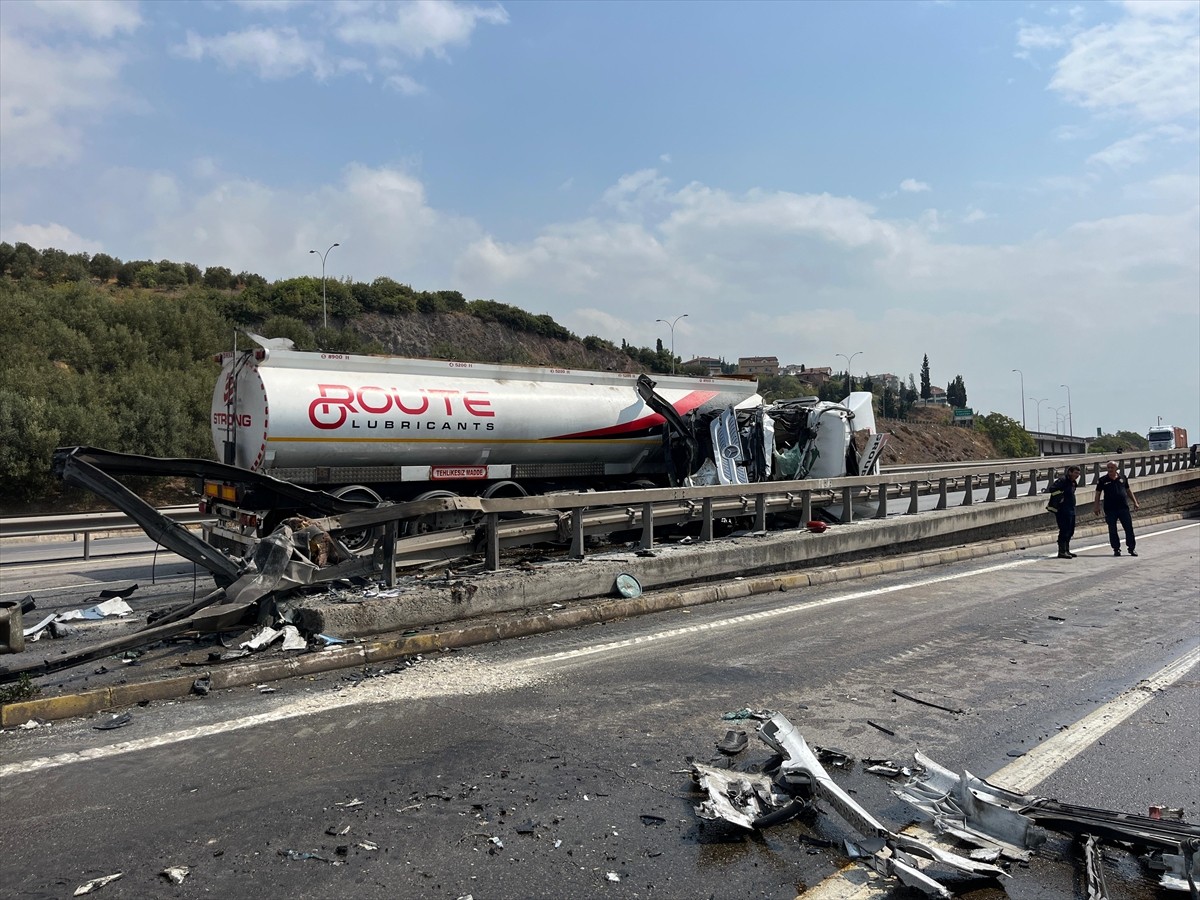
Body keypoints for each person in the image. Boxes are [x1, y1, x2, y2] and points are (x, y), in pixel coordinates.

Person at [1094, 461, 1139, 556]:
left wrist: (1135, 502)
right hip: (1110, 509)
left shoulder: (1123, 478)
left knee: (1129, 529)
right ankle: (1116, 549)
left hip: (1123, 508)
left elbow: (1128, 490)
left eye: (1112, 468)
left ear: (1116, 469)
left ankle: (1131, 548)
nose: (1110, 469)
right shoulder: (1102, 480)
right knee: (1112, 530)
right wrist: (1096, 506)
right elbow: (1098, 493)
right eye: (1108, 468)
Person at [1046, 465, 1081, 559]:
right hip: (1062, 509)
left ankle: (1067, 550)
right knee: (1064, 530)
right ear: (1070, 472)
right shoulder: (1063, 480)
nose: (1077, 475)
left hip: (1071, 509)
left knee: (1070, 530)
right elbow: (1052, 490)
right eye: (1075, 473)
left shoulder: (1073, 482)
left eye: (1078, 473)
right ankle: (1061, 551)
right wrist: (1061, 497)